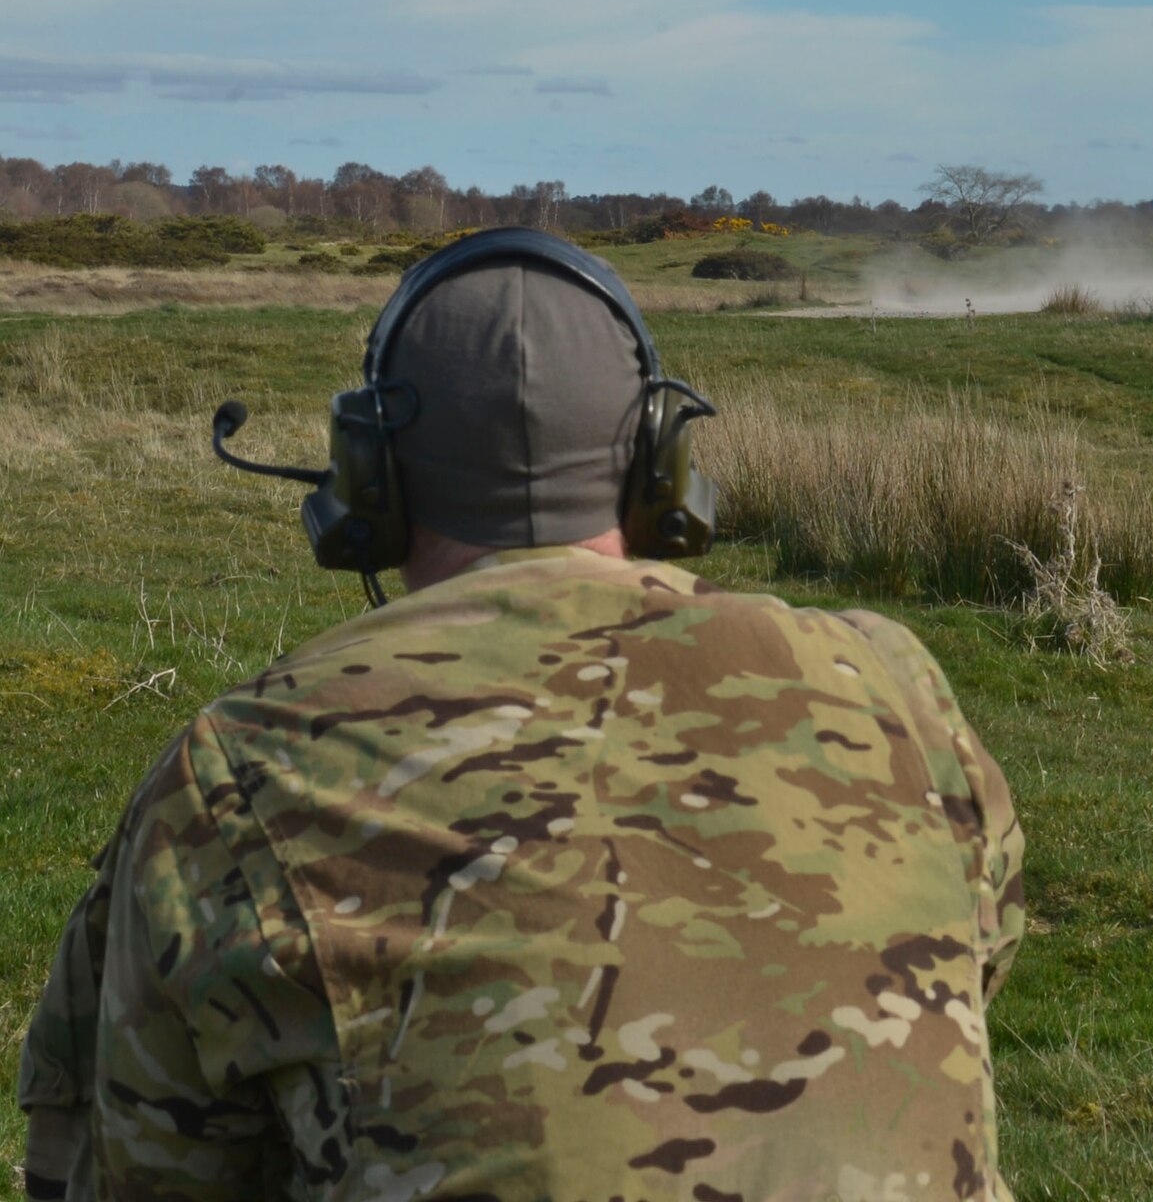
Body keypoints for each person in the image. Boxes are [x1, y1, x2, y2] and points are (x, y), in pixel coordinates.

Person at [20, 228, 1025, 1201]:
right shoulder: (894, 685)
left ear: (370, 476)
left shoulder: (236, 775)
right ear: (659, 467)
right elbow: (983, 961)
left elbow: (138, 1161)